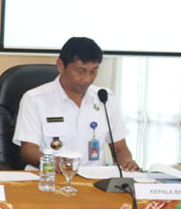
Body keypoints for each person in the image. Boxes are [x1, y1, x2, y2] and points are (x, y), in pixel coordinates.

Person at [13, 37, 139, 170]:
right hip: (51, 177)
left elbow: (120, 149)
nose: (87, 79)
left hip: (95, 179)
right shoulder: (35, 99)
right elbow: (29, 150)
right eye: (80, 71)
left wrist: (127, 162)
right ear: (61, 66)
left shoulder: (104, 98)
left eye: (93, 71)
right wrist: (52, 162)